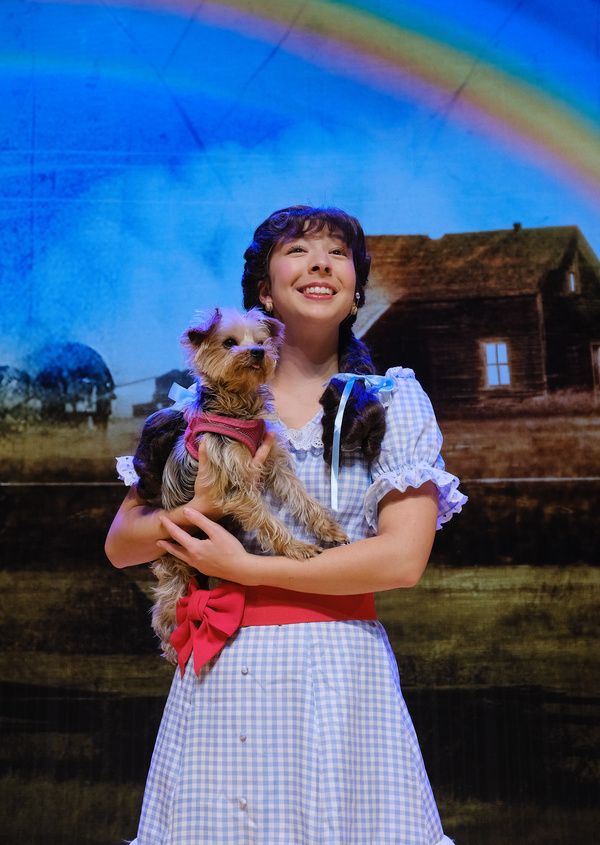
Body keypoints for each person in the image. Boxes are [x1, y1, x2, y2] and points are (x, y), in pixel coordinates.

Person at [105, 205, 467, 844]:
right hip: (222, 665)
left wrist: (243, 567)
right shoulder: (192, 412)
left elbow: (401, 561)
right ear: (263, 291)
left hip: (339, 665)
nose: (321, 262)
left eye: (338, 253)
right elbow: (122, 544)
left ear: (356, 291)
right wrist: (202, 505)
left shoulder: (387, 400)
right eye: (298, 251)